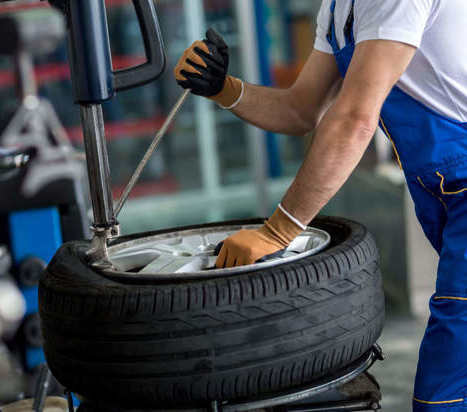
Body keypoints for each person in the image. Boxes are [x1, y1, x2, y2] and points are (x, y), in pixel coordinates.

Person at [174, 0, 467, 410]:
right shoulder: (336, 9)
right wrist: (225, 88)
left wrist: (278, 230)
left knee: (449, 376)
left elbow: (354, 119)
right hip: (442, 190)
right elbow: (301, 111)